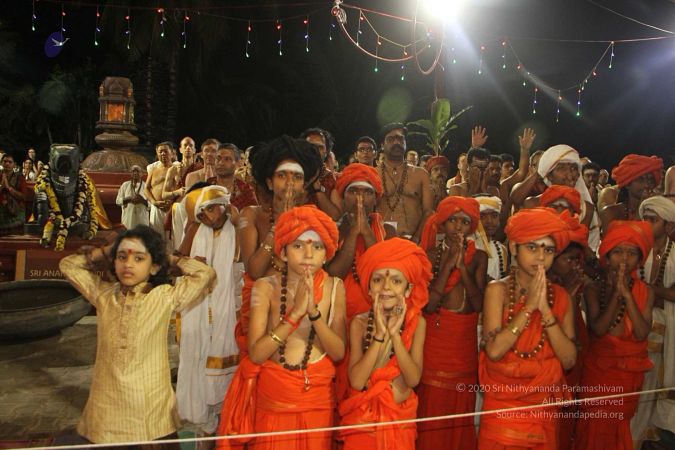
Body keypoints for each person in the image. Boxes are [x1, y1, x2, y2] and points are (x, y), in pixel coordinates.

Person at [59, 226, 216, 445]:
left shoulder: (164, 297)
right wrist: (106, 251)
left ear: (154, 266)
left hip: (150, 406)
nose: (128, 264)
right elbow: (67, 265)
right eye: (121, 257)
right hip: (107, 405)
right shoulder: (103, 294)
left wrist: (167, 258)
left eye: (139, 258)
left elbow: (205, 274)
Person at [216, 205, 346, 450]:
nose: (308, 254)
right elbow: (257, 353)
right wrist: (294, 314)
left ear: (326, 254)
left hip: (316, 399)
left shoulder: (335, 287)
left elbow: (338, 352)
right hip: (274, 397)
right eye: (298, 246)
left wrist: (313, 313)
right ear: (283, 253)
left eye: (317, 247)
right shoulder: (265, 287)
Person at [479, 207, 577, 449]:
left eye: (548, 250)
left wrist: (545, 310)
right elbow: (494, 351)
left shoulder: (561, 297)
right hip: (501, 410)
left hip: (541, 412)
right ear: (514, 248)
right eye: (532, 247)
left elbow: (569, 360)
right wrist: (529, 307)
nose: (541, 257)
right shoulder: (497, 291)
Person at [339, 238, 431, 450]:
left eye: (396, 281)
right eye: (378, 280)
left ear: (408, 290)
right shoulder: (359, 323)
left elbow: (413, 379)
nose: (386, 287)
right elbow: (357, 381)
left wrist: (395, 336)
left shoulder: (417, 324)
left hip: (399, 421)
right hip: (363, 422)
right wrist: (380, 335)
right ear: (369, 289)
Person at [574, 221, 654, 450]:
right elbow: (599, 329)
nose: (624, 259)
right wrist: (617, 296)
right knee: (593, 433)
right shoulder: (592, 289)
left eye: (631, 253)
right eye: (618, 252)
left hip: (627, 377)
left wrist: (627, 296)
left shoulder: (645, 291)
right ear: (607, 257)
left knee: (618, 432)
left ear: (640, 260)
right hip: (599, 375)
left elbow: (642, 333)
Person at [417, 196, 487, 450]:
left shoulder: (479, 257)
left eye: (465, 222)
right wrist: (448, 265)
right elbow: (428, 306)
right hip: (436, 344)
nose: (458, 226)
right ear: (443, 223)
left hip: (463, 344)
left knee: (460, 408)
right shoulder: (429, 255)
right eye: (453, 220)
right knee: (433, 405)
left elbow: (478, 304)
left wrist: (462, 268)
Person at [174, 186, 240, 437]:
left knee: (225, 360)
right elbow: (178, 260)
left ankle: (223, 423)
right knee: (199, 360)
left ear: (225, 207)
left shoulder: (237, 230)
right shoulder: (195, 229)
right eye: (202, 212)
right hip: (199, 308)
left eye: (211, 209)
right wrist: (191, 265)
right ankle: (205, 427)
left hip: (228, 307)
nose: (206, 216)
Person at [631, 196, 675, 447]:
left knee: (659, 383)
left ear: (669, 226)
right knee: (638, 385)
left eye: (653, 220)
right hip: (637, 328)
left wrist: (648, 290)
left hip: (668, 328)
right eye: (644, 218)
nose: (646, 224)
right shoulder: (634, 250)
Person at [377, 123, 433, 241]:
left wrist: (416, 239)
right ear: (382, 145)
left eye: (400, 138)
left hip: (414, 241)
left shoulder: (421, 174)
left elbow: (428, 211)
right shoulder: (373, 174)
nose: (396, 142)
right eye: (391, 139)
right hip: (381, 242)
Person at [599, 154, 663, 231]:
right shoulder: (610, 212)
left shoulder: (660, 214)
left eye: (650, 180)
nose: (646, 185)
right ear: (627, 184)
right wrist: (641, 208)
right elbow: (625, 238)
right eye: (640, 179)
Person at [300, 127, 341, 220]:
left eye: (320, 147)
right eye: (310, 146)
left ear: (326, 152)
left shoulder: (334, 179)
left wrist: (318, 189)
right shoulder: (293, 174)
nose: (315, 151)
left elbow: (335, 216)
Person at [207, 143, 257, 211]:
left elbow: (254, 214)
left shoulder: (245, 190)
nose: (221, 163)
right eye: (218, 158)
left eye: (227, 159)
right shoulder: (205, 187)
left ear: (237, 163)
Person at [474, 195, 509, 281]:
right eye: (482, 217)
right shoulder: (467, 246)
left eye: (494, 216)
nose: (489, 221)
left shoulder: (501, 249)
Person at [144, 142, 175, 240]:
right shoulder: (153, 170)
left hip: (172, 208)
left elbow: (180, 187)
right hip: (156, 208)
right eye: (160, 152)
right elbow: (146, 188)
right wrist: (153, 202)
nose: (163, 154)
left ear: (172, 153)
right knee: (156, 238)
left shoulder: (177, 169)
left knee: (172, 239)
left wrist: (172, 202)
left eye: (165, 151)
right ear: (157, 154)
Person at [163, 136, 202, 202]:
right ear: (180, 150)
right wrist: (177, 192)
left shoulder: (200, 168)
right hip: (179, 204)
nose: (188, 147)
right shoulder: (173, 169)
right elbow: (164, 195)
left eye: (191, 145)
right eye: (185, 145)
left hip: (195, 204)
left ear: (194, 150)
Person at [0, 153, 27, 236]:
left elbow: (24, 197)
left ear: (14, 164)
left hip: (16, 210)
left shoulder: (19, 177)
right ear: (1, 163)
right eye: (5, 161)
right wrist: (1, 187)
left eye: (10, 162)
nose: (7, 163)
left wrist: (9, 188)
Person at [116, 165, 149, 229]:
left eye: (137, 171)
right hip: (128, 219)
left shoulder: (146, 186)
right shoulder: (125, 185)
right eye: (133, 171)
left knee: (142, 234)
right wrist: (128, 199)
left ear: (142, 173)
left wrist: (142, 200)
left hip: (142, 219)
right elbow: (118, 201)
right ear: (130, 173)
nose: (135, 173)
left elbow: (151, 204)